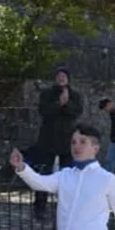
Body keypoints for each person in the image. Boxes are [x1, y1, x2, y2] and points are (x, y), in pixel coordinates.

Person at [33, 66, 84, 217]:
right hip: (48, 138)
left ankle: (66, 206)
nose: (61, 78)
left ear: (68, 79)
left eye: (64, 76)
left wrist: (67, 103)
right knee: (44, 173)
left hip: (67, 139)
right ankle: (40, 206)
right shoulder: (47, 93)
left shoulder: (74, 95)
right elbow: (44, 111)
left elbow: (77, 112)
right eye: (59, 76)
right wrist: (59, 104)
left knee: (67, 174)